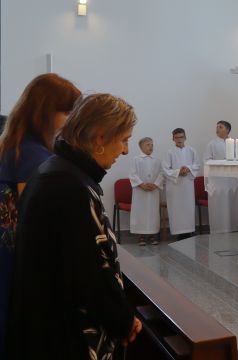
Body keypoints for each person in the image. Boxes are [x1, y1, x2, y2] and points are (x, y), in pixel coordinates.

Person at [6, 94, 142, 359]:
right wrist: (122, 320)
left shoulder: (58, 171)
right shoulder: (67, 185)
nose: (125, 150)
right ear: (100, 138)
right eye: (124, 140)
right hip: (63, 336)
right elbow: (86, 273)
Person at [0, 73, 81, 357]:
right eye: (67, 111)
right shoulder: (33, 155)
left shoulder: (16, 144)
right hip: (16, 260)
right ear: (46, 112)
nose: (71, 119)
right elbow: (35, 222)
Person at [204, 121, 238, 234]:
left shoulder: (236, 144)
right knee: (219, 206)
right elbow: (206, 160)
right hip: (218, 181)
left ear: (227, 130)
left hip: (232, 180)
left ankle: (234, 227)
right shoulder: (211, 144)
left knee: (233, 204)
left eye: (220, 127)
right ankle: (219, 229)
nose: (217, 129)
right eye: (216, 127)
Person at [163, 128, 199, 240]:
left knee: (188, 208)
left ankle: (189, 231)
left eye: (181, 137)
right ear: (173, 139)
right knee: (177, 208)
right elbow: (165, 169)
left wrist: (188, 169)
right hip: (175, 186)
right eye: (177, 137)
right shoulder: (169, 152)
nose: (179, 139)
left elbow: (197, 165)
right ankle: (179, 233)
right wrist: (179, 172)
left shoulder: (192, 150)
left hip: (187, 185)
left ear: (185, 138)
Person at [129, 137, 163, 245]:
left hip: (153, 191)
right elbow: (132, 174)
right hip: (140, 191)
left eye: (152, 145)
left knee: (153, 212)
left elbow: (162, 173)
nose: (151, 147)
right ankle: (141, 236)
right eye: (148, 145)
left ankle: (153, 235)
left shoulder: (157, 160)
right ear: (141, 147)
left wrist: (156, 184)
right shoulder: (136, 159)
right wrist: (141, 184)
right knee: (141, 212)